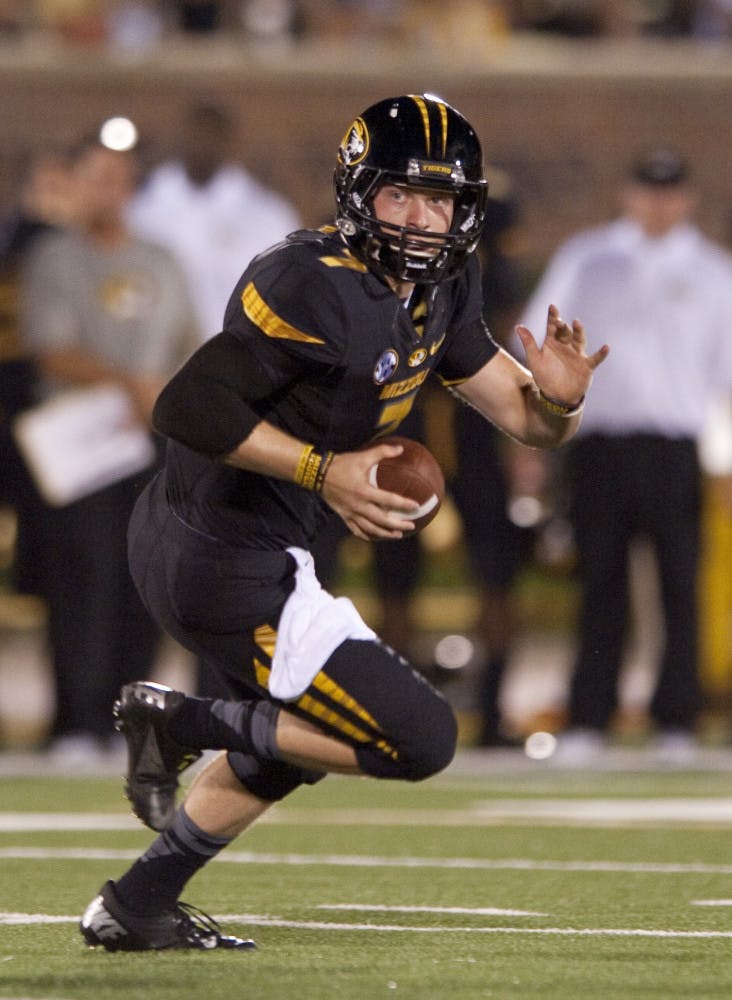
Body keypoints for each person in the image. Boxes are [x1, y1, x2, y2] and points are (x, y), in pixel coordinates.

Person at [79, 93, 607, 951]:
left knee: (294, 745)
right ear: (359, 192)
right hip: (215, 547)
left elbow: (523, 420)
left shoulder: (443, 284)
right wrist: (327, 470)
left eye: (442, 200)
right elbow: (185, 407)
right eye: (402, 194)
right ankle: (182, 722)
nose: (424, 218)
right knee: (420, 738)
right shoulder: (307, 281)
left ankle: (136, 906)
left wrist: (558, 402)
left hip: (260, 544)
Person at [518, 145, 732, 764]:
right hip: (599, 444)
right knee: (600, 582)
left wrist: (722, 458)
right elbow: (538, 341)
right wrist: (537, 433)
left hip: (676, 445)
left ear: (686, 197)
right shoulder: (589, 258)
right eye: (648, 189)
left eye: (669, 191)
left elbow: (724, 378)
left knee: (679, 586)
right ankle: (589, 716)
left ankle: (678, 721)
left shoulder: (714, 273)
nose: (659, 204)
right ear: (629, 194)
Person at [19, 128, 198, 762]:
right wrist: (131, 385)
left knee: (144, 579)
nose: (107, 192)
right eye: (94, 178)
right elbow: (51, 347)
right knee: (80, 578)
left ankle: (132, 715)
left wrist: (165, 396)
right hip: (80, 442)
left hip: (148, 443)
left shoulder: (161, 259)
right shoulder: (54, 257)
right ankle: (75, 719)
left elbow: (189, 344)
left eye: (117, 179)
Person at [126, 100, 302, 339]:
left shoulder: (268, 216)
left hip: (238, 352)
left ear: (230, 142)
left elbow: (290, 293)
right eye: (194, 134)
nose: (200, 144)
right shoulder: (142, 207)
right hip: (155, 355)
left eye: (210, 135)